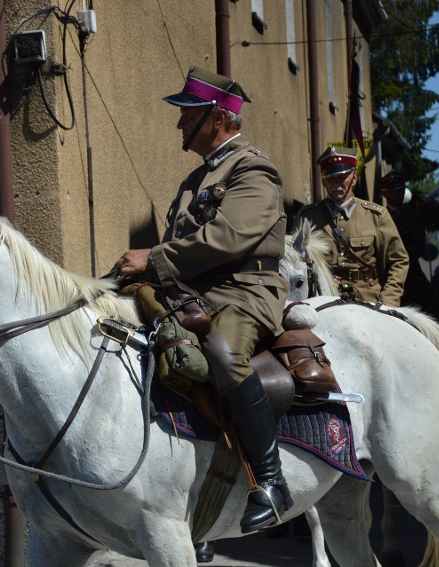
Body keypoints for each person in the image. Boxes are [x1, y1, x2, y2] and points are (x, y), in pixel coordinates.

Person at [114, 65, 292, 535]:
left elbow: (228, 237)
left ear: (217, 117)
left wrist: (153, 257)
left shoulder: (254, 169)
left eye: (187, 113)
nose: (178, 123)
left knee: (221, 353)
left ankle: (272, 482)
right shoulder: (198, 177)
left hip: (245, 290)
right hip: (197, 291)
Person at [297, 147, 409, 306]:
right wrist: (321, 275)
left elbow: (398, 261)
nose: (336, 184)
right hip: (324, 300)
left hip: (368, 300)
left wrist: (389, 299)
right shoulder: (307, 217)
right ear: (323, 181)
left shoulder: (376, 216)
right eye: (331, 178)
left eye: (342, 178)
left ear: (354, 178)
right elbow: (296, 259)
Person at [380, 172, 436, 313]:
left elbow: (418, 246)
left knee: (430, 305)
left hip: (411, 273)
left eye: (400, 190)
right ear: (385, 194)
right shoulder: (379, 217)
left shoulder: (413, 216)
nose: (398, 194)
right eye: (393, 192)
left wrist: (400, 259)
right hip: (385, 272)